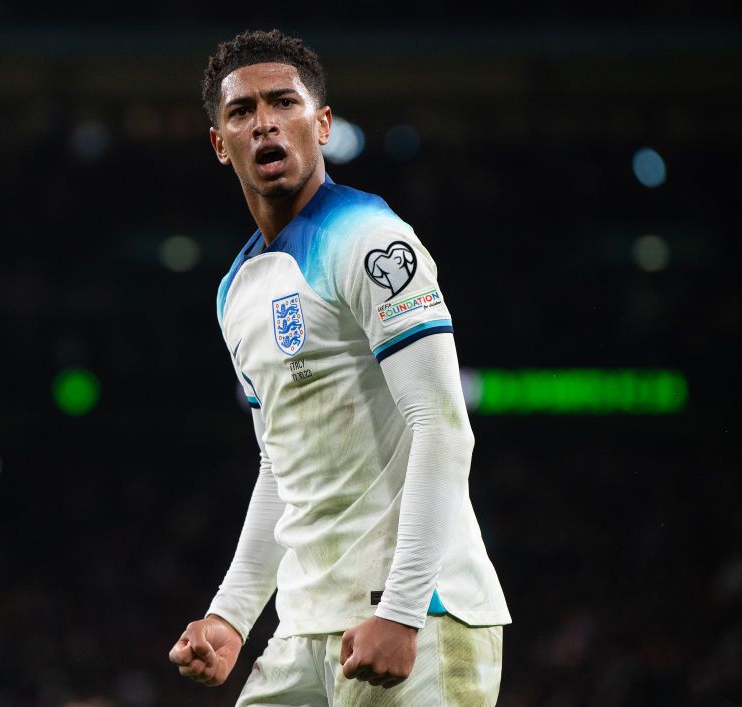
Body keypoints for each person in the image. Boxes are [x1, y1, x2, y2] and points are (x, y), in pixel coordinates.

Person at [168, 29, 512, 706]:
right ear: (219, 142)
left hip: (419, 616)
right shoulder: (236, 290)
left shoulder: (370, 240)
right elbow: (280, 462)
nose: (264, 121)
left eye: (283, 102)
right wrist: (233, 613)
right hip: (306, 627)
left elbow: (442, 425)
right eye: (241, 111)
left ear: (321, 124)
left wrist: (405, 608)